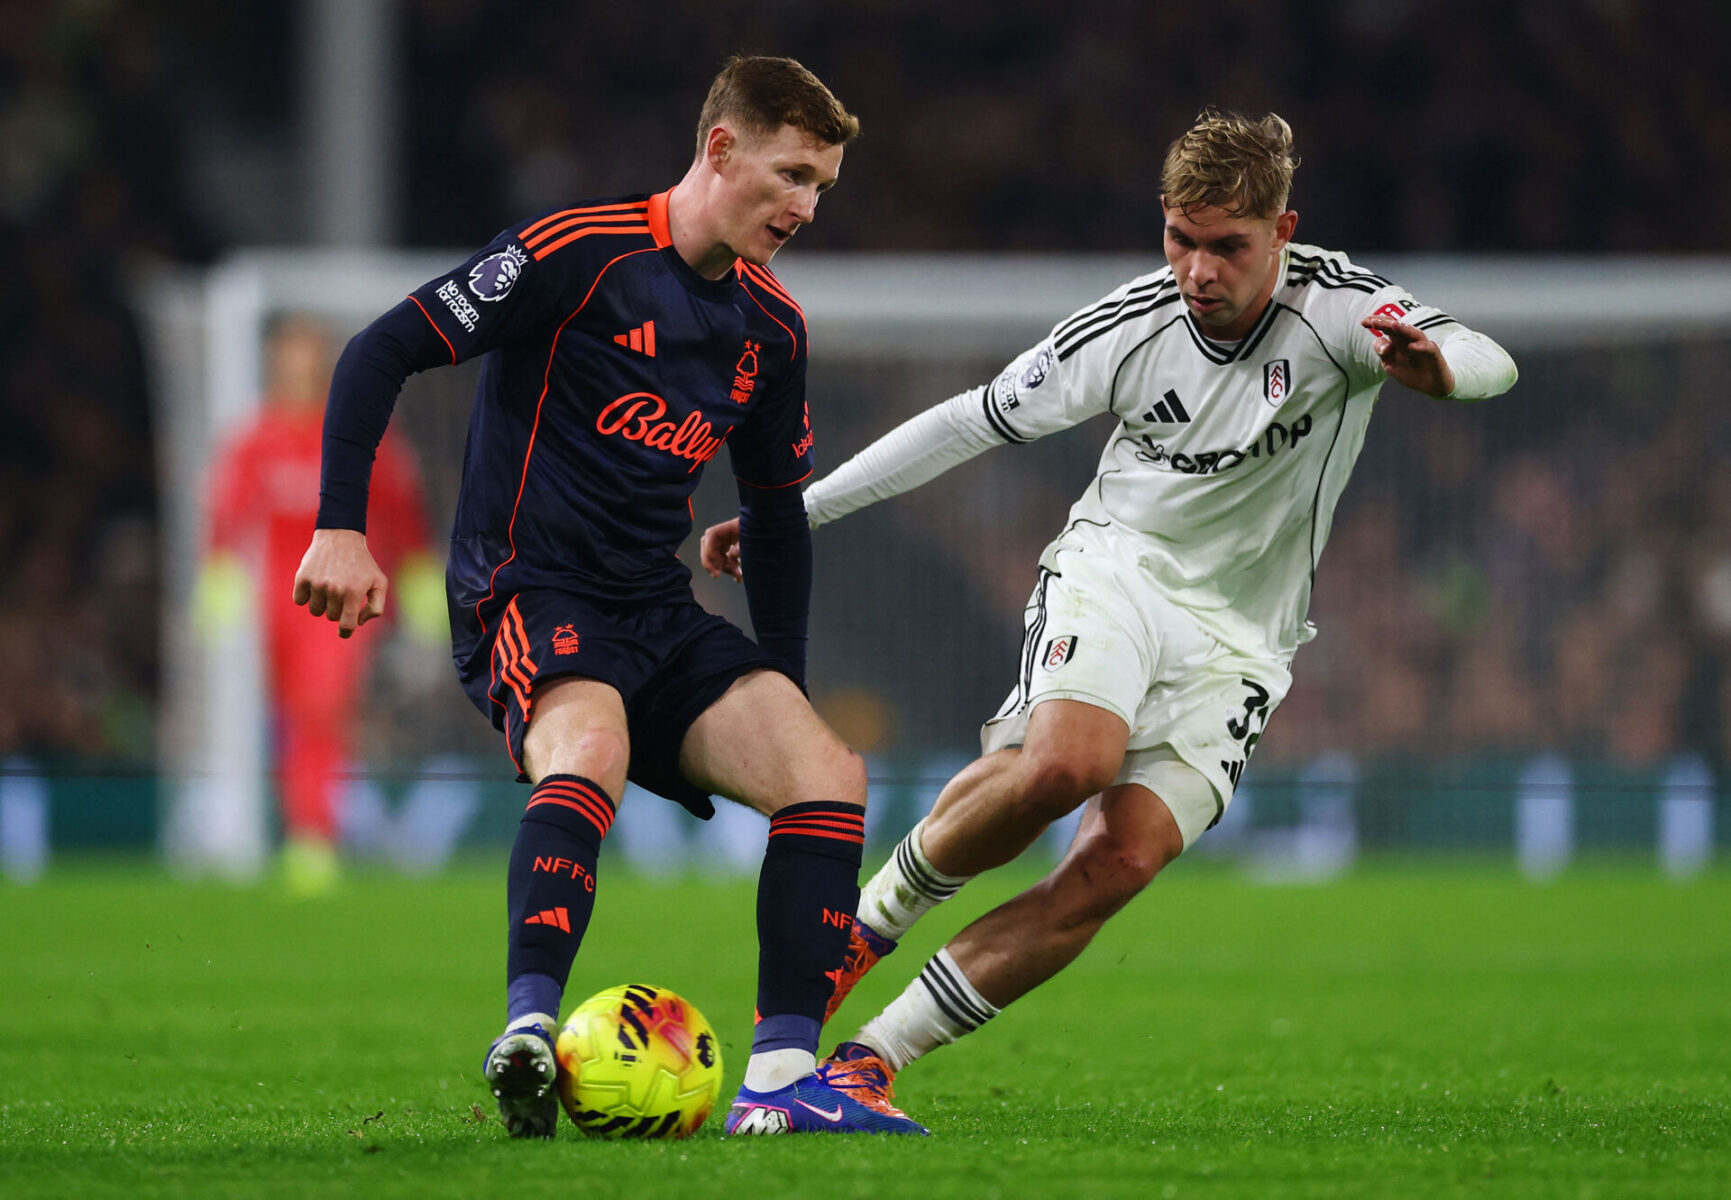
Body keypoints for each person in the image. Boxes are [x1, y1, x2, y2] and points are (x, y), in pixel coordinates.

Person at [702, 109, 1519, 1119]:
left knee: (1120, 861)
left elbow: (1480, 348)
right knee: (1067, 765)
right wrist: (797, 510)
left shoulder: (1342, 310)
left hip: (1246, 638)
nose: (1199, 269)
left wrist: (1439, 369)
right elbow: (973, 420)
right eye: (1181, 240)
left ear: (1283, 230)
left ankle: (871, 1061)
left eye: (1229, 246)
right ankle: (860, 934)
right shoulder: (1130, 326)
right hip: (1119, 569)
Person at [291, 56, 926, 1138]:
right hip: (528, 590)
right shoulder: (576, 253)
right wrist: (341, 526)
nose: (806, 206)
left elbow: (777, 516)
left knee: (827, 773)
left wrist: (784, 687)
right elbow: (382, 348)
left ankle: (780, 1083)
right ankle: (531, 1033)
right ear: (719, 149)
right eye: (790, 174)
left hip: (654, 606)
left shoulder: (770, 328)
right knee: (588, 745)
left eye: (821, 184)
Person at [201, 313, 438, 894]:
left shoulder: (361, 435)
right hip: (278, 600)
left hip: (341, 597)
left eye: (312, 352)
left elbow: (400, 510)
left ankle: (315, 838)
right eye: (292, 353)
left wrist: (419, 574)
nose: (302, 364)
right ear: (275, 361)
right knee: (292, 717)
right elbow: (229, 510)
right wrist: (221, 571)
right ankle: (306, 829)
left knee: (322, 709)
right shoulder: (257, 437)